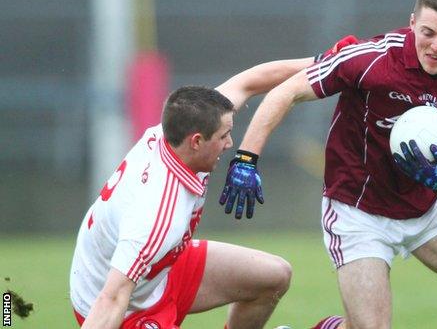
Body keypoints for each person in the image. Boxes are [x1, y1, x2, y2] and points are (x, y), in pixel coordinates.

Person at [220, 0, 437, 328]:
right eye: (428, 32)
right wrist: (246, 158)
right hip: (357, 211)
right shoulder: (372, 57)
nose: (436, 46)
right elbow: (286, 91)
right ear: (412, 23)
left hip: (427, 205)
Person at [69, 57, 316, 329]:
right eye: (224, 136)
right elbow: (111, 299)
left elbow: (248, 82)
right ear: (196, 141)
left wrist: (326, 61)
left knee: (274, 276)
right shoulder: (156, 213)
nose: (230, 143)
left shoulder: (181, 129)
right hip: (123, 306)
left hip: (160, 271)